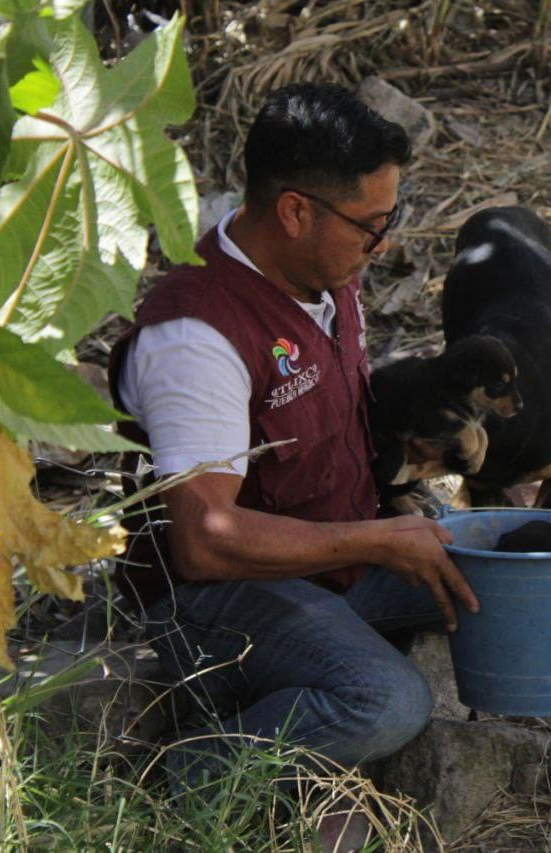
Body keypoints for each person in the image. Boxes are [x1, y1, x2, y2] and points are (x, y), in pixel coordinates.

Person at [106, 83, 479, 793]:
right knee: (387, 700)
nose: (383, 242)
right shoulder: (196, 333)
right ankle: (186, 779)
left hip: (332, 557)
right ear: (295, 210)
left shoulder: (325, 268)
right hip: (209, 598)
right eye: (370, 225)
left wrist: (405, 472)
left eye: (388, 218)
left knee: (509, 567)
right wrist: (376, 541)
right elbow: (205, 539)